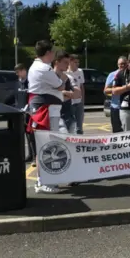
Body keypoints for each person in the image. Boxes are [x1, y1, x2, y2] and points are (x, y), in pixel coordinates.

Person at [27, 41, 67, 193]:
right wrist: (62, 77)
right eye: (52, 52)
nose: (53, 55)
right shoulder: (44, 68)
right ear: (48, 53)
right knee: (47, 146)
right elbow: (60, 86)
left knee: (45, 146)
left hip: (45, 109)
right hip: (46, 110)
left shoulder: (36, 66)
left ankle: (44, 180)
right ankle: (45, 182)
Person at [14, 63, 35, 162]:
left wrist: (28, 108)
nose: (17, 74)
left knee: (31, 135)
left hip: (29, 113)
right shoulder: (18, 83)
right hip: (20, 112)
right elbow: (17, 97)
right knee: (23, 135)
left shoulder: (30, 82)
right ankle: (29, 155)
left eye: (18, 72)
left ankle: (34, 156)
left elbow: (32, 97)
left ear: (23, 70)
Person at [104, 57, 127, 133]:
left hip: (128, 107)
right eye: (121, 64)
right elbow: (105, 90)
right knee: (117, 132)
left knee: (128, 131)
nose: (122, 66)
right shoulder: (112, 75)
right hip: (115, 107)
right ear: (117, 65)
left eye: (124, 64)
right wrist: (116, 90)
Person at [66, 54, 85, 134]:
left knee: (79, 126)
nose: (77, 64)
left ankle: (79, 141)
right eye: (75, 62)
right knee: (71, 124)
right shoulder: (65, 72)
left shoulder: (80, 71)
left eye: (78, 62)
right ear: (70, 62)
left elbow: (81, 86)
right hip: (70, 102)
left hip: (79, 102)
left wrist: (83, 101)